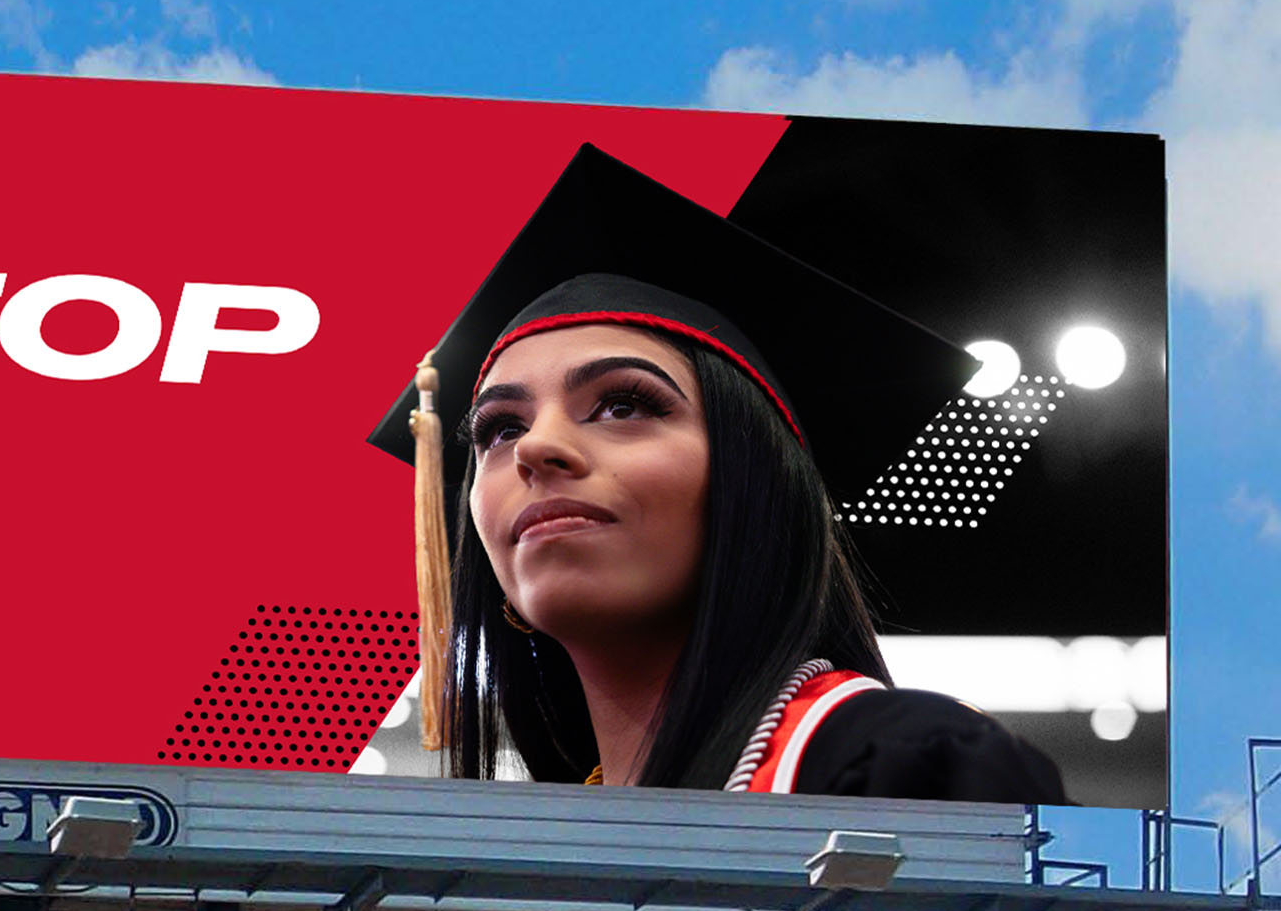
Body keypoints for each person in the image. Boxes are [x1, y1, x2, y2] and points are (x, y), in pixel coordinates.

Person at [366, 146, 1066, 803]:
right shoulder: (558, 836)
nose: (535, 448)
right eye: (500, 428)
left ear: (755, 481)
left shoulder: (910, 770)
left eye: (622, 404)